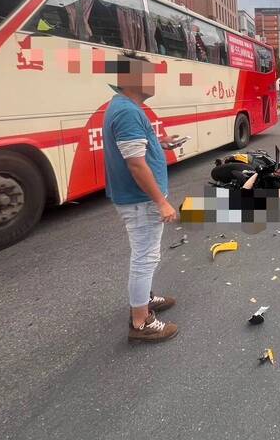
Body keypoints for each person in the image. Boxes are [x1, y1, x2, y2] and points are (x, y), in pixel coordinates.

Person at [103, 52, 181, 343]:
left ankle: (144, 298)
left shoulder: (126, 107)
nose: (154, 81)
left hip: (136, 198)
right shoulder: (127, 111)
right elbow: (135, 163)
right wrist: (160, 201)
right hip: (140, 200)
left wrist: (159, 143)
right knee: (145, 256)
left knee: (146, 254)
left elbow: (135, 149)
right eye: (149, 75)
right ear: (132, 78)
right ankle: (141, 322)